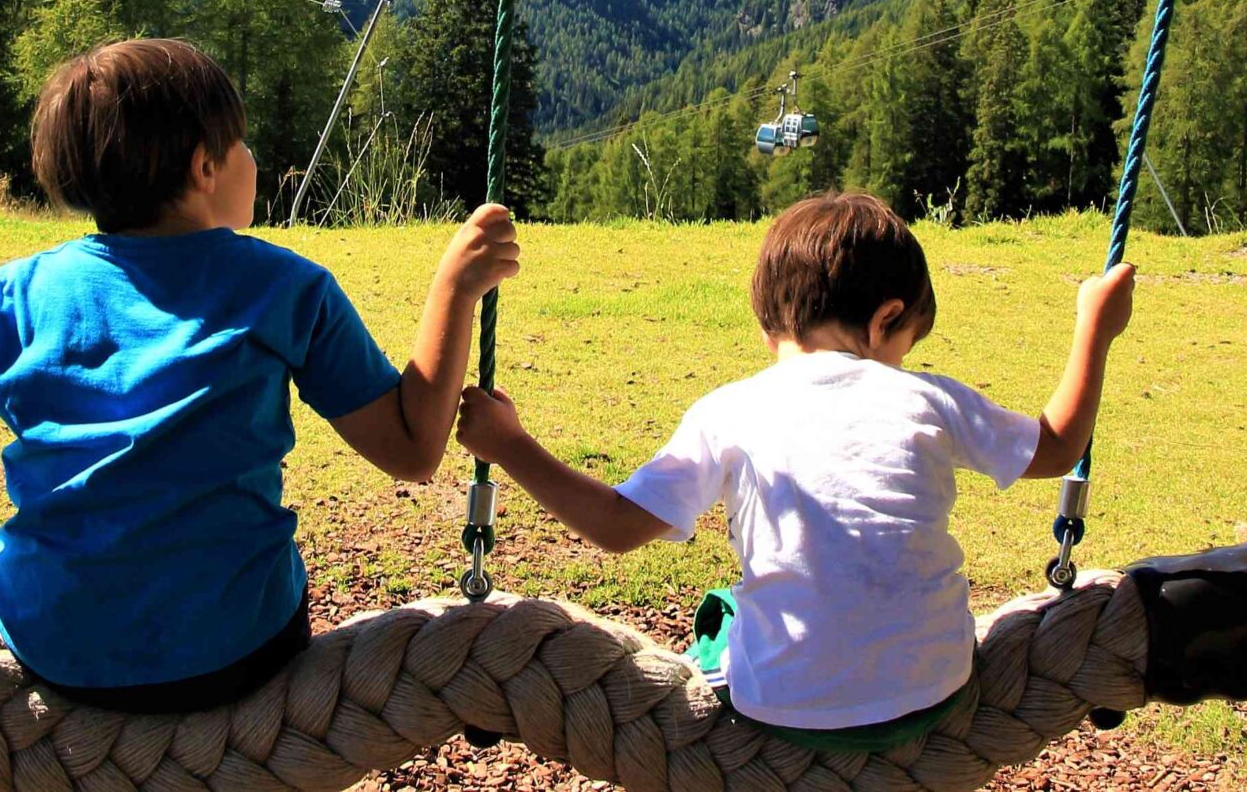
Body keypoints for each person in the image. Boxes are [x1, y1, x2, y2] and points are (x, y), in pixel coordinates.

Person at [0, 36, 519, 711]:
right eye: (238, 143)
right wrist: (455, 290)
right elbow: (411, 449)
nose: (251, 157)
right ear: (203, 169)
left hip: (55, 648)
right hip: (236, 649)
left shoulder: (15, 298)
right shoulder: (286, 288)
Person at [454, 191, 1134, 747]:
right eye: (905, 345)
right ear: (886, 320)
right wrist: (1094, 329)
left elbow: (615, 525)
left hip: (781, 707)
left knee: (721, 624)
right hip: (934, 691)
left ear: (767, 329)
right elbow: (1057, 445)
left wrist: (509, 444)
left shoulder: (728, 410)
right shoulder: (930, 397)